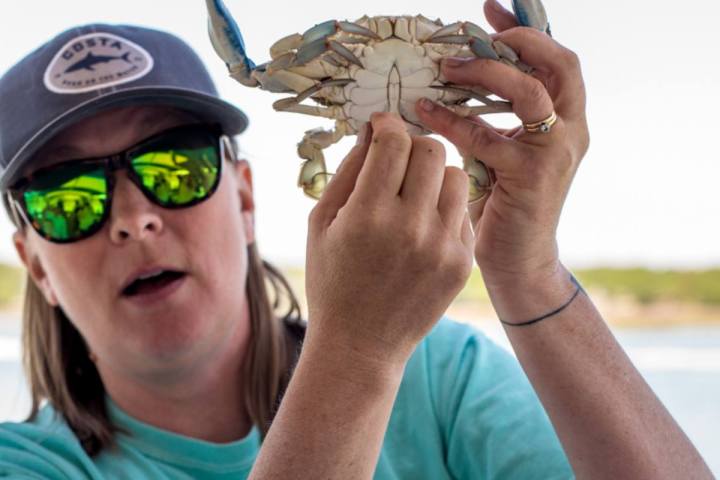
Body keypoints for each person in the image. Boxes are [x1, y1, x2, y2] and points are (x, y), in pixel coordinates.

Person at [0, 2, 713, 479]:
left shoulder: (440, 378)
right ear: (32, 257)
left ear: (244, 198)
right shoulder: (25, 464)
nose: (134, 217)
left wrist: (530, 274)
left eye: (175, 166)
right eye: (68, 198)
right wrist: (359, 351)